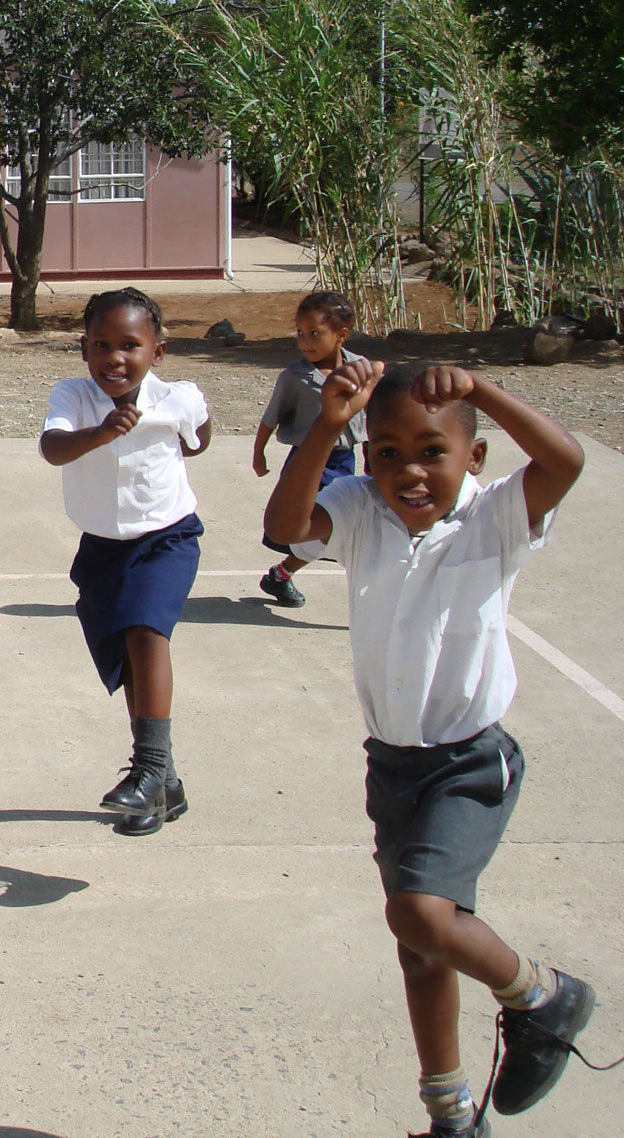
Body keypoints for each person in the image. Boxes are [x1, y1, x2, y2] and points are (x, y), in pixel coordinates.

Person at [264, 360, 601, 1135]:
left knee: (417, 911)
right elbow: (286, 527)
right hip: (393, 766)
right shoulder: (357, 508)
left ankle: (545, 996)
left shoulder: (496, 516)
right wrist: (327, 424)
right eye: (386, 452)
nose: (408, 472)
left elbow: (566, 461)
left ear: (473, 459)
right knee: (422, 946)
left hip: (471, 763)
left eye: (430, 452)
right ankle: (450, 1113)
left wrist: (480, 391)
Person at [40, 288, 211, 838]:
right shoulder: (73, 395)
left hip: (167, 539)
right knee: (128, 660)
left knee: (145, 633)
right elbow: (54, 449)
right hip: (102, 549)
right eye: (101, 345)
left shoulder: (177, 396)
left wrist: (191, 438)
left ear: (157, 352)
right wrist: (101, 432)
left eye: (130, 346)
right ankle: (165, 784)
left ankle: (149, 773)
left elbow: (200, 434)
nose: (115, 357)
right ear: (84, 349)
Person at [254, 291, 367, 607]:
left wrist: (376, 453)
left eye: (315, 334)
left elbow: (372, 415)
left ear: (341, 335)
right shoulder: (295, 377)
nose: (305, 341)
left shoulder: (361, 369)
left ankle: (282, 574)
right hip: (306, 462)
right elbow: (271, 417)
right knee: (327, 529)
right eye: (300, 333)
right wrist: (258, 452)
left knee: (336, 529)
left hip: (345, 461)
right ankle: (285, 574)